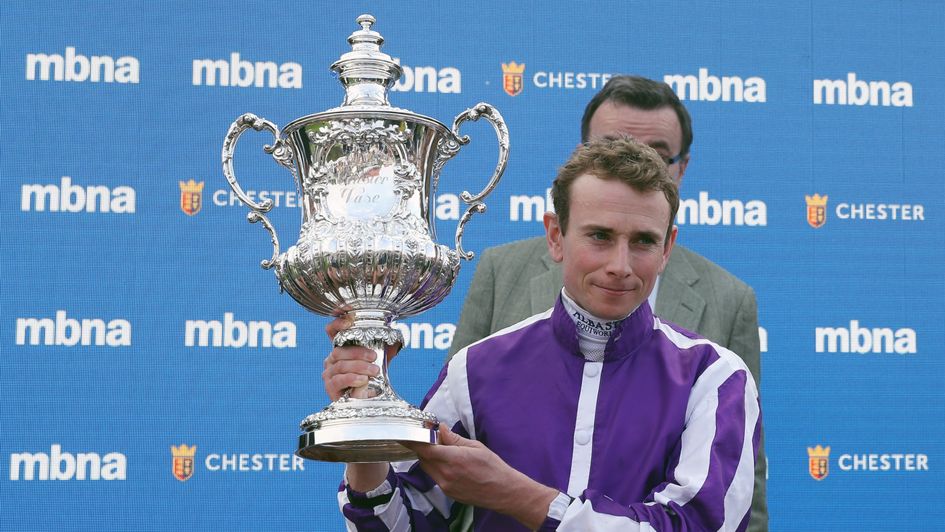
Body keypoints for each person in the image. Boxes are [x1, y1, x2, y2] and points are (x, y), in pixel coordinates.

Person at [324, 137, 761, 530]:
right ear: (556, 236)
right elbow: (402, 523)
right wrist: (364, 428)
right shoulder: (477, 367)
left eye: (644, 241)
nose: (620, 265)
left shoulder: (715, 376)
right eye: (600, 236)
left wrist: (519, 496)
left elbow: (697, 527)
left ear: (667, 248)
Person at [448, 75, 768, 531]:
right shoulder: (501, 274)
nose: (619, 265)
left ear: (682, 166)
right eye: (613, 145)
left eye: (656, 154)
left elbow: (739, 489)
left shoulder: (728, 310)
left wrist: (523, 497)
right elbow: (441, 471)